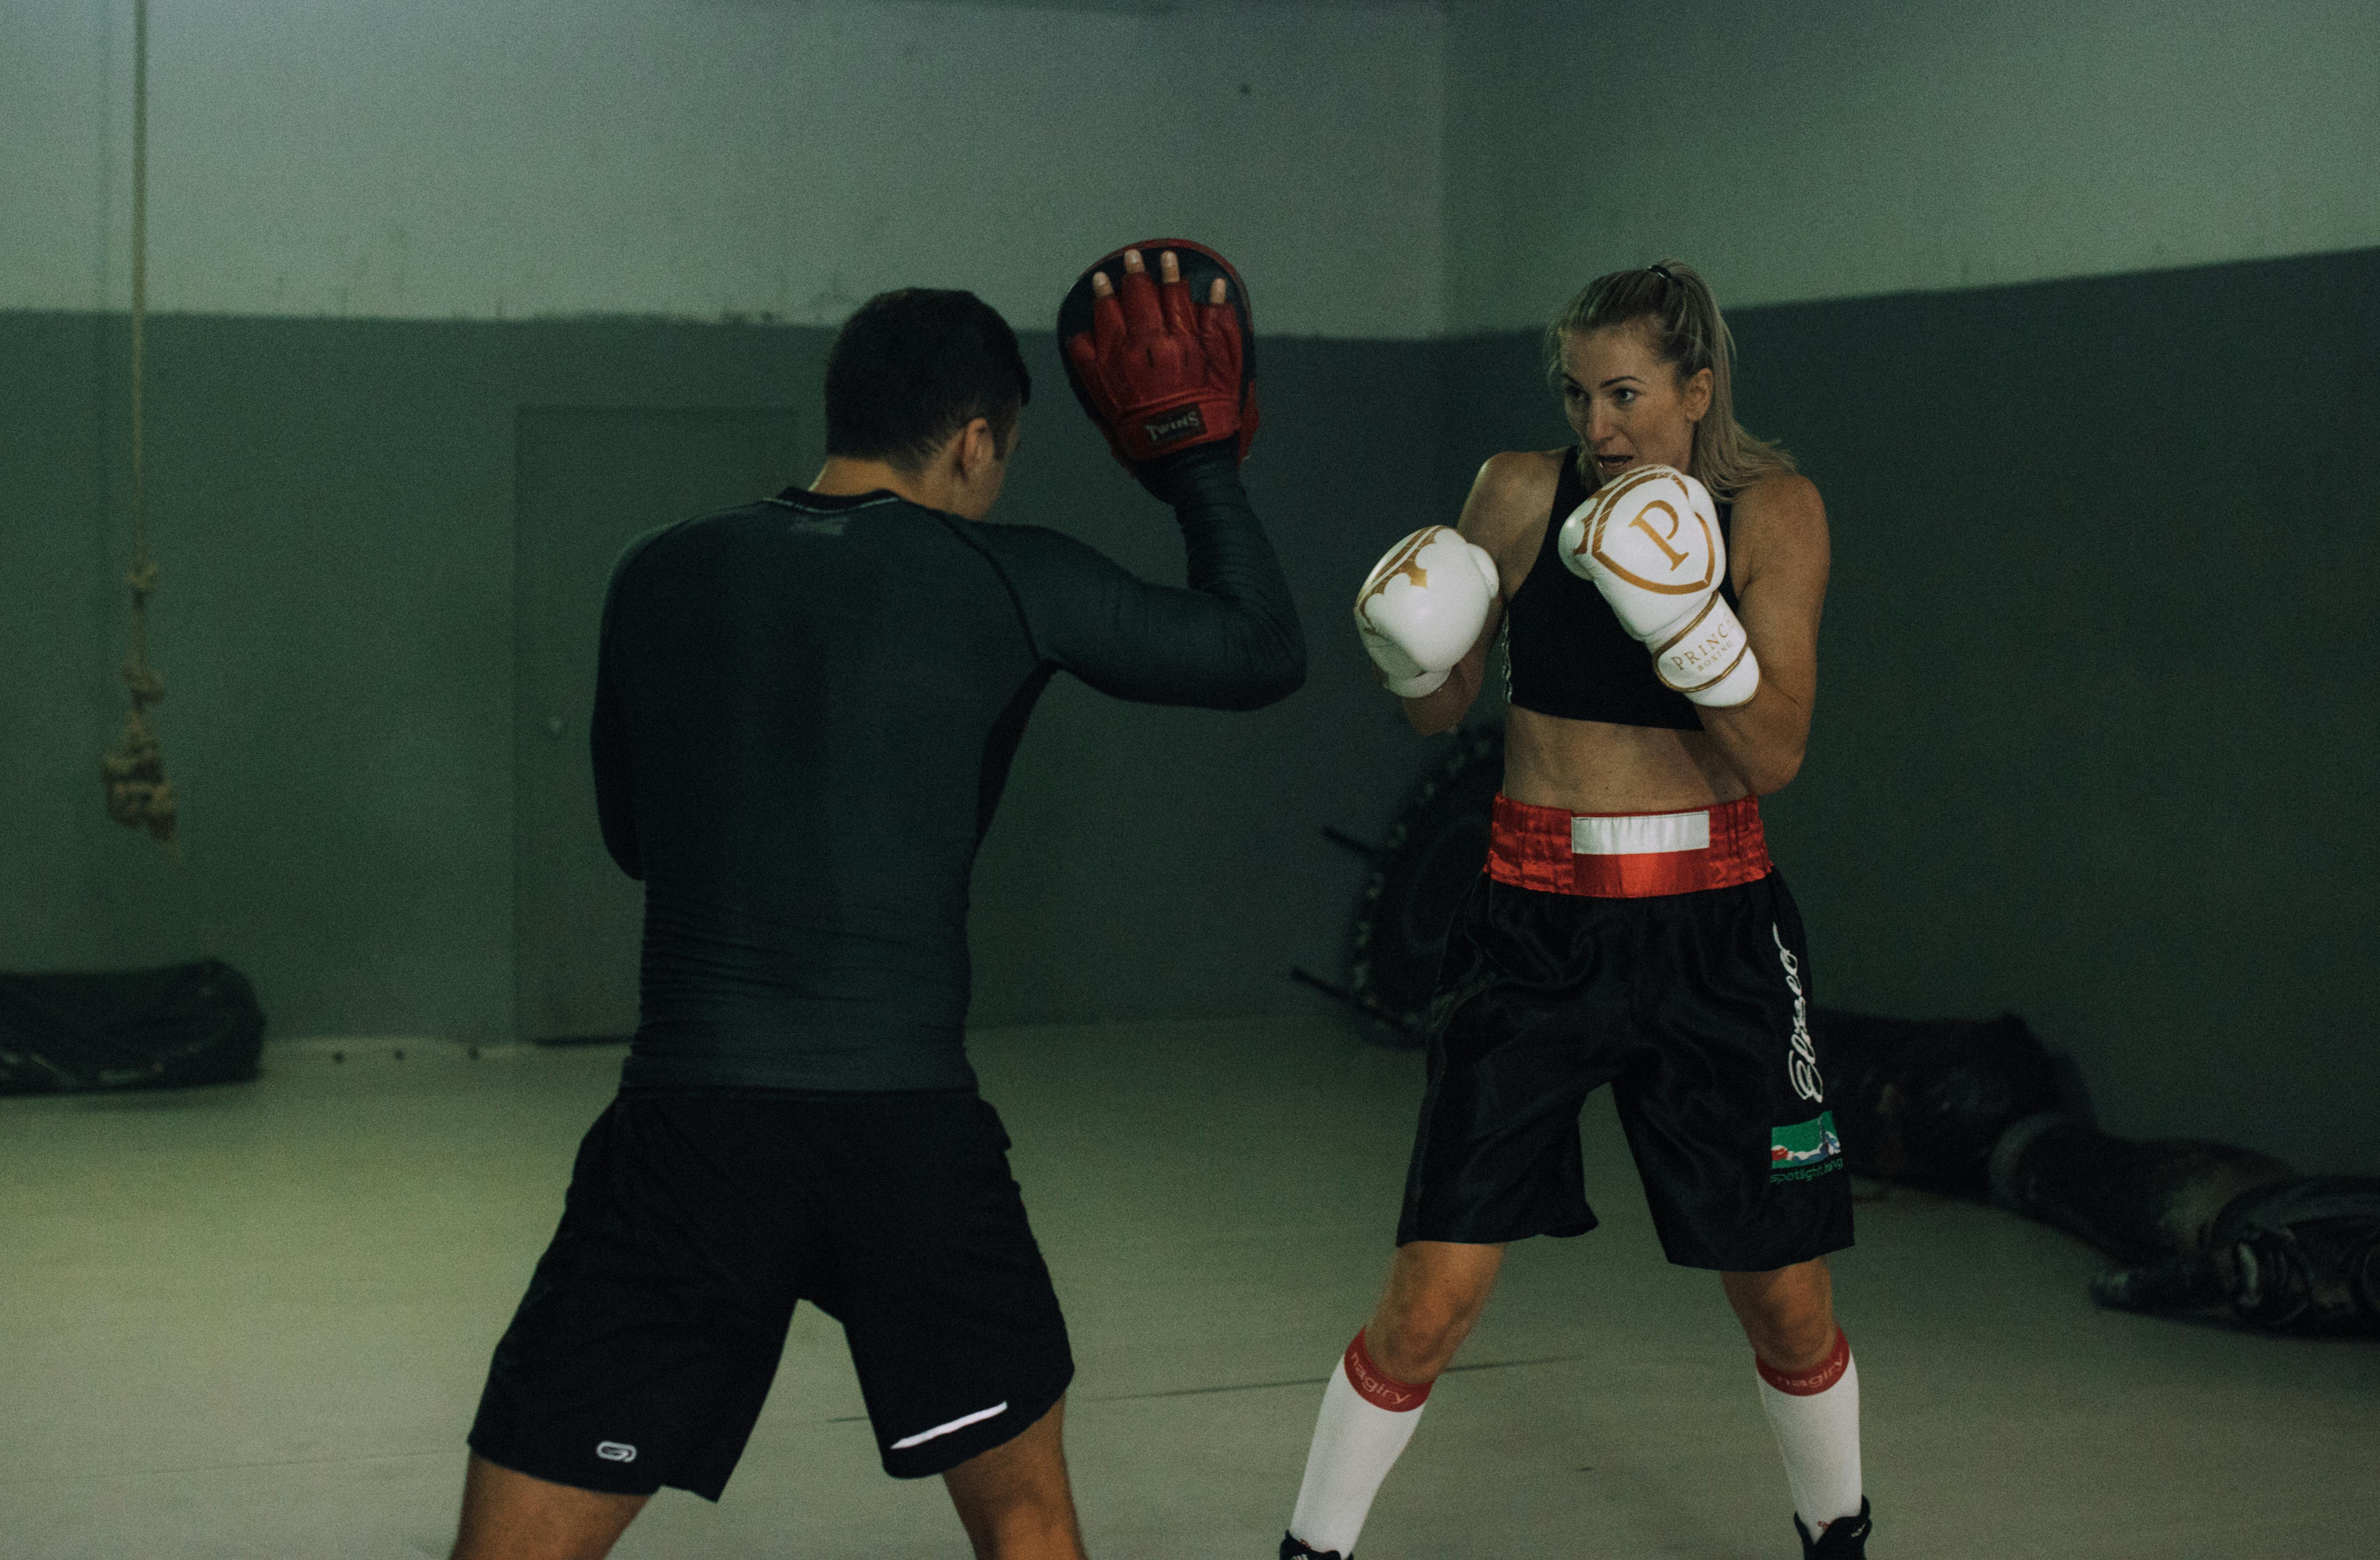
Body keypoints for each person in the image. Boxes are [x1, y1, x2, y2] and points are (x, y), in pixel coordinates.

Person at [452, 252, 1305, 1560]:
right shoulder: (1013, 577)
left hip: (691, 1132)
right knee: (1025, 1523)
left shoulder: (658, 569)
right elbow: (1258, 650)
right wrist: (1195, 463)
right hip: (908, 1135)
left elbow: (635, 843)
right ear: (974, 442)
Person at [1302, 260, 1865, 1558]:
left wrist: (1690, 629)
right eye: (1577, 393)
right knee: (1429, 1295)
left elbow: (1775, 750)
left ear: (1697, 389)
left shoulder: (1774, 512)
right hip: (1533, 932)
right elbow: (1437, 712)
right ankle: (1309, 1552)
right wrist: (1412, 650)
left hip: (1714, 930)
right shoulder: (1518, 488)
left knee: (1784, 1296)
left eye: (1625, 395)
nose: (1597, 426)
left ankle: (1838, 1534)